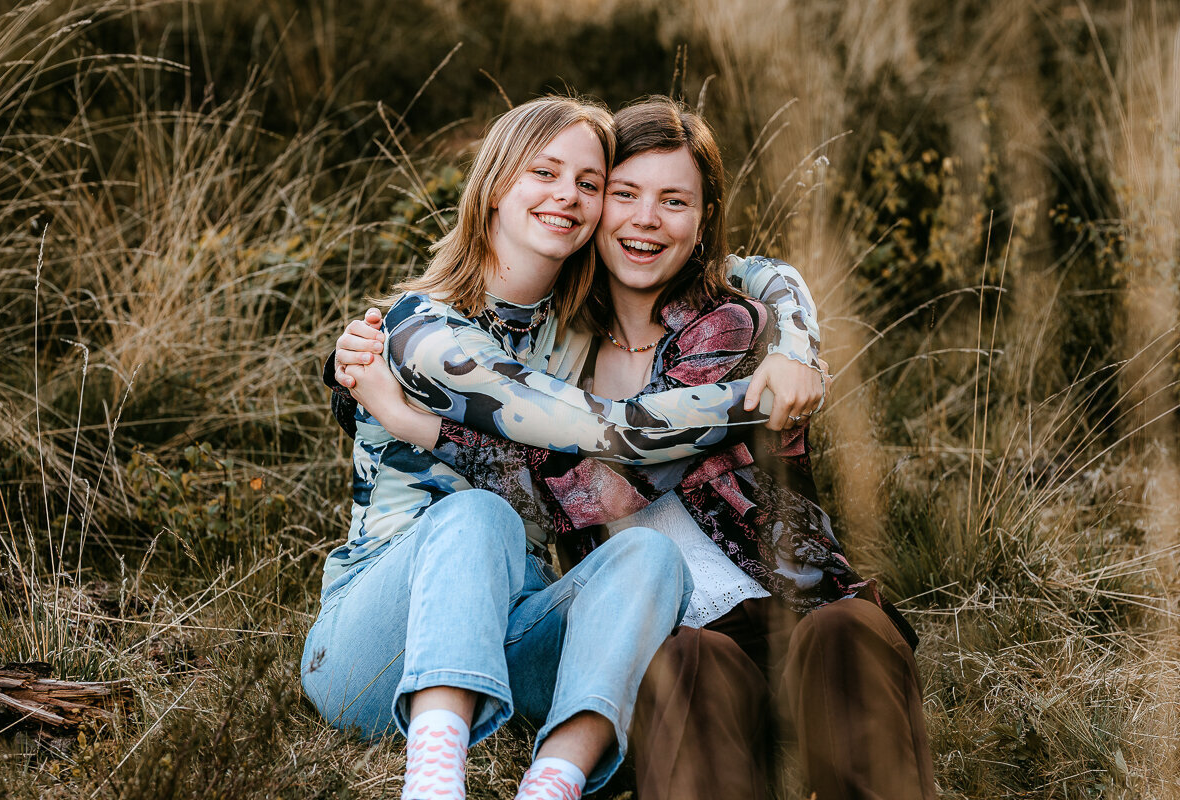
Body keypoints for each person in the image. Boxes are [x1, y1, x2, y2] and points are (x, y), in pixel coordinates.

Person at [337, 97, 936, 800]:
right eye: (623, 193)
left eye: (674, 200)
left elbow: (769, 278)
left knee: (844, 640)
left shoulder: (730, 326)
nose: (646, 219)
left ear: (703, 220)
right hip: (670, 635)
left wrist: (801, 352)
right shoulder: (561, 357)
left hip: (794, 609)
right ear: (597, 212)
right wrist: (377, 396)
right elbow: (563, 461)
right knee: (683, 670)